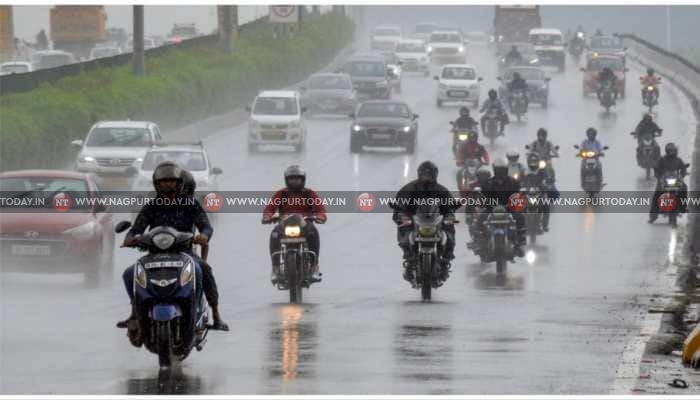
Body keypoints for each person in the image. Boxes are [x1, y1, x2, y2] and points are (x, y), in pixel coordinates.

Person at [117, 162, 229, 337]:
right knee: (129, 273)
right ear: (157, 184)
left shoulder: (191, 204)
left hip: (185, 253)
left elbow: (206, 227)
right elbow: (136, 228)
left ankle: (213, 314)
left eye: (172, 181)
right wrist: (130, 238)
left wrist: (204, 236)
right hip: (154, 254)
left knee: (203, 270)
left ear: (180, 183)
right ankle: (135, 313)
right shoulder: (151, 205)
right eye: (164, 181)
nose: (168, 184)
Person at [393, 161, 458, 283]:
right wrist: (402, 215)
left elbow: (450, 206)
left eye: (429, 175)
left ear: (434, 175)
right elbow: (399, 204)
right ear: (419, 175)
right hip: (414, 220)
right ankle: (409, 257)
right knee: (404, 229)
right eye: (424, 175)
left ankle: (445, 260)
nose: (426, 178)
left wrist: (449, 215)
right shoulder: (409, 189)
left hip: (435, 221)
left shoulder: (441, 190)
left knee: (449, 231)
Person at [262, 165, 327, 284]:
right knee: (275, 234)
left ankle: (314, 266)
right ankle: (276, 268)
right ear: (287, 180)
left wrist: (321, 217)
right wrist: (267, 217)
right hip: (284, 223)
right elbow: (269, 209)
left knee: (313, 233)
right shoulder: (281, 194)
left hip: (304, 223)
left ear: (303, 180)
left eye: (297, 178)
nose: (295, 181)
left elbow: (320, 209)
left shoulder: (309, 193)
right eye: (292, 178)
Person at [479, 158, 526, 257]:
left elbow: (518, 194)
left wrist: (518, 199)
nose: (500, 172)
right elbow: (482, 194)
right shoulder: (488, 183)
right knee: (481, 219)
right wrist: (483, 200)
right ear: (494, 170)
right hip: (491, 209)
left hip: (508, 208)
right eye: (498, 170)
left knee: (520, 217)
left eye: (502, 170)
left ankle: (520, 243)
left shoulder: (513, 182)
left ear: (506, 170)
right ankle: (481, 243)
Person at [649, 143, 689, 223]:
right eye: (671, 151)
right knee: (657, 194)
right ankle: (653, 215)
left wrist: (683, 173)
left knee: (684, 187)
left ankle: (683, 207)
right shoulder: (662, 159)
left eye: (674, 151)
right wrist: (658, 175)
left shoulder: (678, 160)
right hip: (664, 180)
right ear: (667, 151)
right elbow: (656, 168)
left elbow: (683, 167)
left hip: (675, 181)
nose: (672, 152)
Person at [522, 153, 553, 232]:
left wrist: (547, 184)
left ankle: (545, 225)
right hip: (527, 193)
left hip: (540, 192)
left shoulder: (542, 171)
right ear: (528, 162)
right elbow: (519, 181)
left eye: (535, 162)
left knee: (546, 206)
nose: (533, 164)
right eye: (531, 162)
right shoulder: (524, 171)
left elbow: (547, 179)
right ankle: (521, 225)